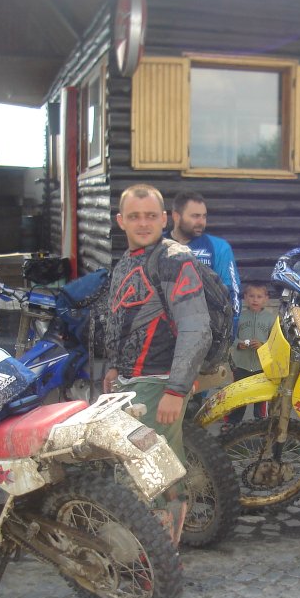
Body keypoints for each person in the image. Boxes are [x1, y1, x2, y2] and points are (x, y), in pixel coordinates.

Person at [102, 184, 212, 539]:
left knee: (152, 471)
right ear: (121, 220)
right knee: (144, 465)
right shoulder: (128, 260)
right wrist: (114, 366)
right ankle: (154, 546)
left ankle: (158, 551)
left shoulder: (174, 259)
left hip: (159, 381)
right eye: (134, 216)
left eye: (151, 216)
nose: (143, 223)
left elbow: (196, 327)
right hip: (131, 382)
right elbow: (121, 318)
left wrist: (176, 390)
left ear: (164, 219)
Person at [168, 191, 241, 334]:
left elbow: (233, 292)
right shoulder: (159, 246)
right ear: (176, 216)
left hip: (206, 335)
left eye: (204, 216)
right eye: (195, 216)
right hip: (165, 335)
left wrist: (230, 332)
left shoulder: (219, 247)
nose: (201, 222)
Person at [224, 281, 275, 427]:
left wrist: (262, 345)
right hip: (241, 365)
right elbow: (230, 336)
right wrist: (238, 343)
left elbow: (274, 341)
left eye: (259, 296)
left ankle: (262, 425)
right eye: (251, 296)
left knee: (261, 397)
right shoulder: (239, 317)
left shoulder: (271, 319)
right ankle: (232, 424)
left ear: (266, 299)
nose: (255, 300)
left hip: (262, 366)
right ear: (245, 297)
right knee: (239, 395)